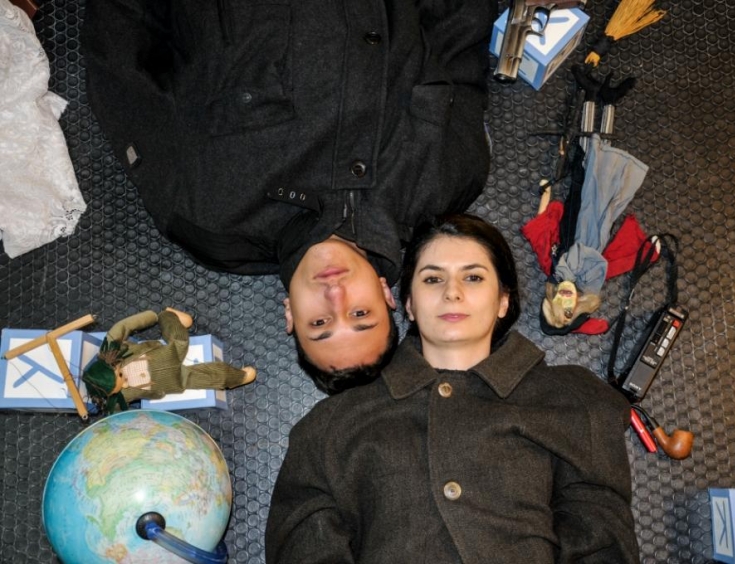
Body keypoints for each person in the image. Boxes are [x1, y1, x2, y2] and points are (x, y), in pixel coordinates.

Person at [80, 0, 498, 388]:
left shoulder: (207, 218)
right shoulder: (448, 179)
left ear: (289, 315)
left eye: (319, 323)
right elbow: (458, 39)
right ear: (388, 294)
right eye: (360, 314)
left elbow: (119, 69)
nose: (335, 296)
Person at [265, 214, 641, 563]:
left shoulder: (569, 399)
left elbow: (601, 540)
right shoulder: (331, 426)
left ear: (503, 301)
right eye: (433, 279)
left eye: (473, 277)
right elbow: (303, 547)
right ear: (409, 305)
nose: (452, 292)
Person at [82, 308, 256, 413]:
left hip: (168, 353)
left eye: (120, 376)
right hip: (176, 380)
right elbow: (117, 415)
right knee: (208, 377)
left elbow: (121, 327)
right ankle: (237, 377)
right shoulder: (118, 398)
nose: (125, 383)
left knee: (180, 340)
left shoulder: (112, 351)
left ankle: (168, 315)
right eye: (118, 388)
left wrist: (151, 317)